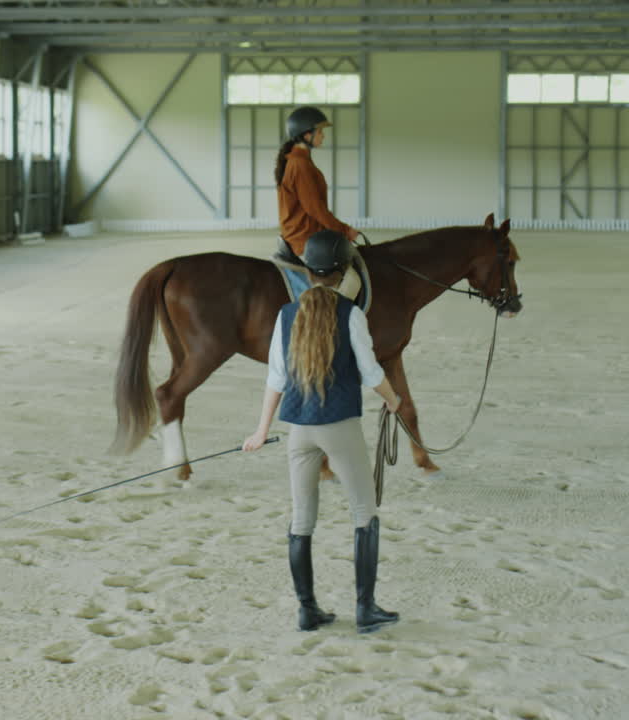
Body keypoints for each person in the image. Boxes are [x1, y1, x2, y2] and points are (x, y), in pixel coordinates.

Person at [243, 229, 403, 634]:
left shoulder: (286, 314)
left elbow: (276, 378)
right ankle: (365, 610)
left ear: (309, 272)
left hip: (298, 430)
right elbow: (370, 373)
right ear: (343, 271)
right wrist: (394, 399)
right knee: (364, 513)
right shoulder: (351, 314)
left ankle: (307, 609)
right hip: (338, 427)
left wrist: (261, 431)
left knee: (302, 519)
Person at [275, 107, 361, 298]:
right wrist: (345, 231)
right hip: (304, 240)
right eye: (320, 132)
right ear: (307, 135)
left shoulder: (300, 161)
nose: (323, 136)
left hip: (309, 236)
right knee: (352, 280)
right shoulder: (300, 165)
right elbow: (316, 210)